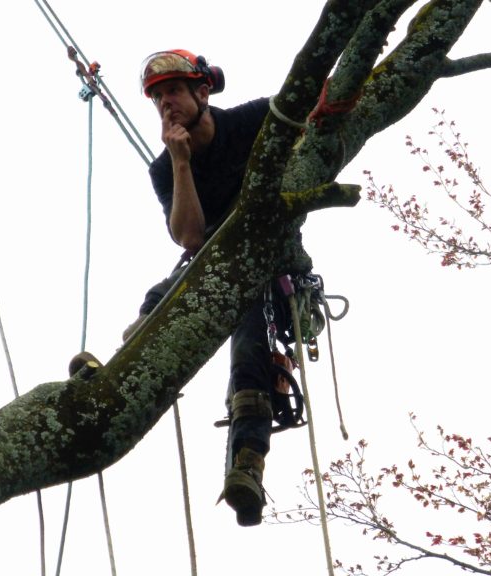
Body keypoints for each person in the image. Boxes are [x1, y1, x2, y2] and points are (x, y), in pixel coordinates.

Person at [128, 49, 302, 527]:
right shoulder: (164, 169)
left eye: (174, 92)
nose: (166, 103)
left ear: (203, 92)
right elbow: (189, 236)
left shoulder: (251, 120)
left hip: (268, 263)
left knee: (250, 346)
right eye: (158, 98)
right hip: (210, 264)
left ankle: (248, 461)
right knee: (158, 298)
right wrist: (181, 162)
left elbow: (313, 107)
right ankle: (122, 366)